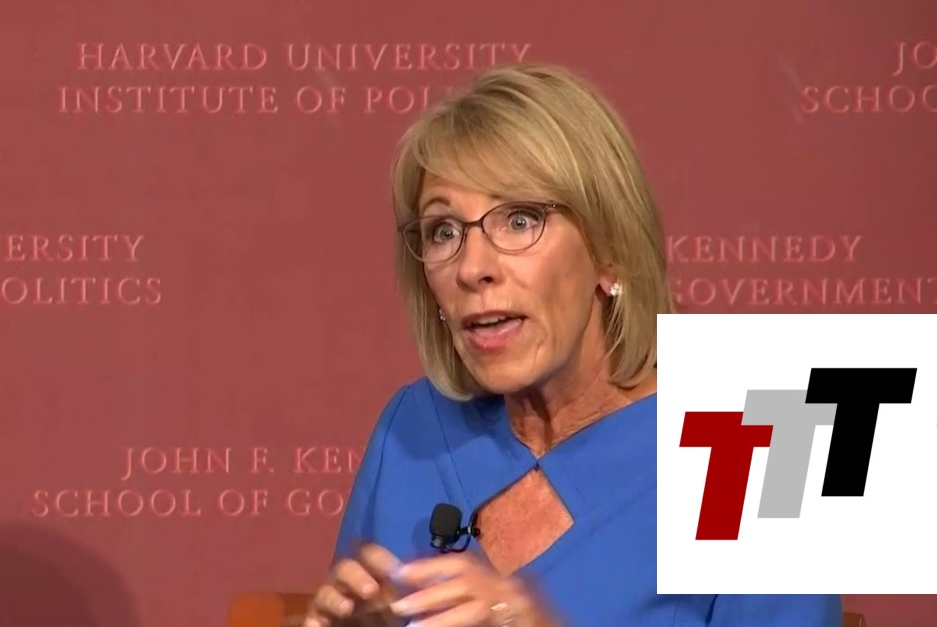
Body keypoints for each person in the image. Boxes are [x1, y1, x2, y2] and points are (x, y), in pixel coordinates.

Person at [301, 63, 841, 627]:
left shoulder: (763, 448)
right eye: (444, 231)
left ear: (610, 251)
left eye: (519, 220)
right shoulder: (412, 431)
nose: (472, 267)